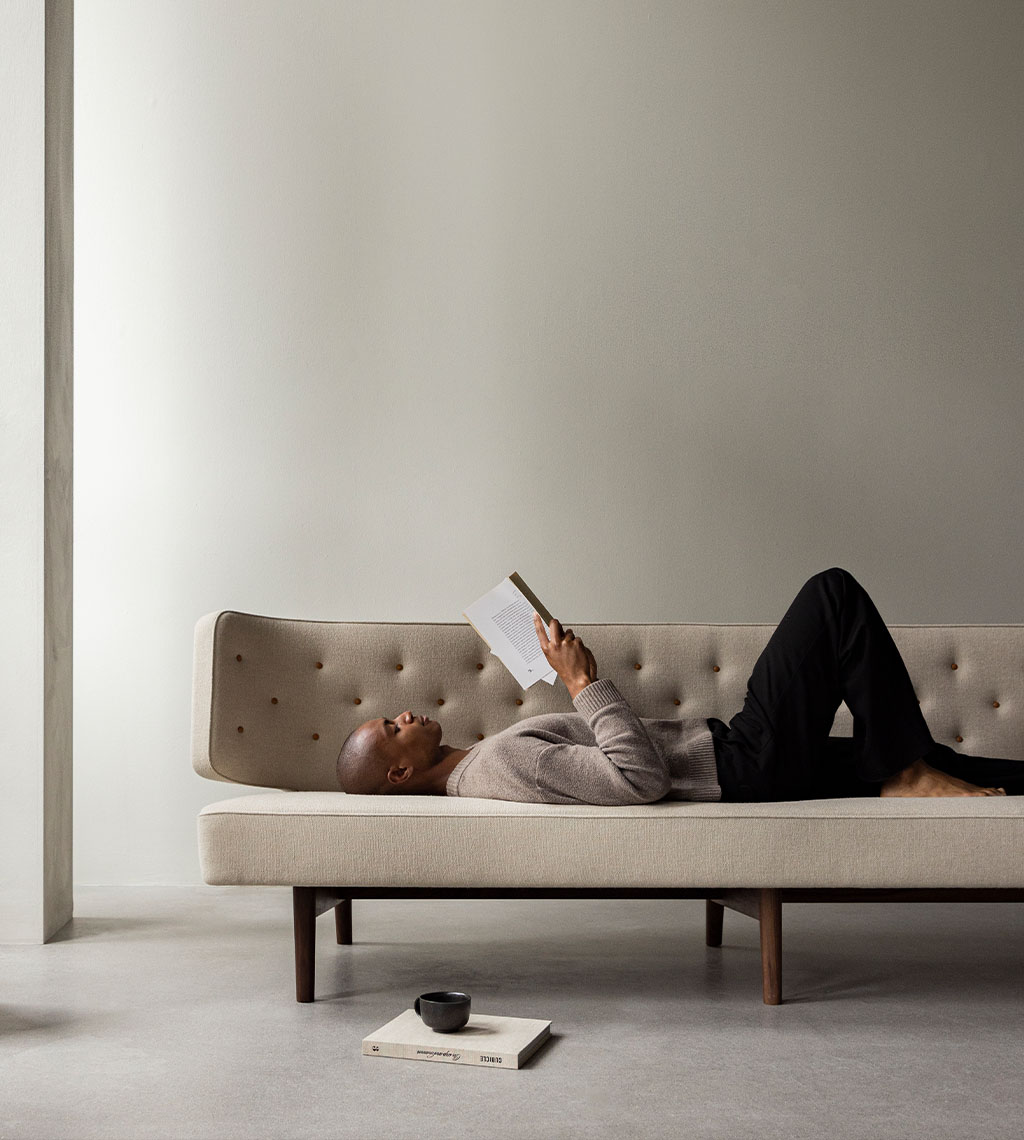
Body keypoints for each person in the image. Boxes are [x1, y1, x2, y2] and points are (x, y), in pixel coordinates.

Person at [335, 568, 1022, 804]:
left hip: (739, 761)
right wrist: (583, 682)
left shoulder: (483, 764)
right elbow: (639, 781)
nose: (404, 714)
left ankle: (910, 769)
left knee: (940, 765)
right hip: (743, 765)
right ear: (399, 773)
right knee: (831, 595)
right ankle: (905, 770)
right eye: (392, 729)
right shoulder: (502, 766)